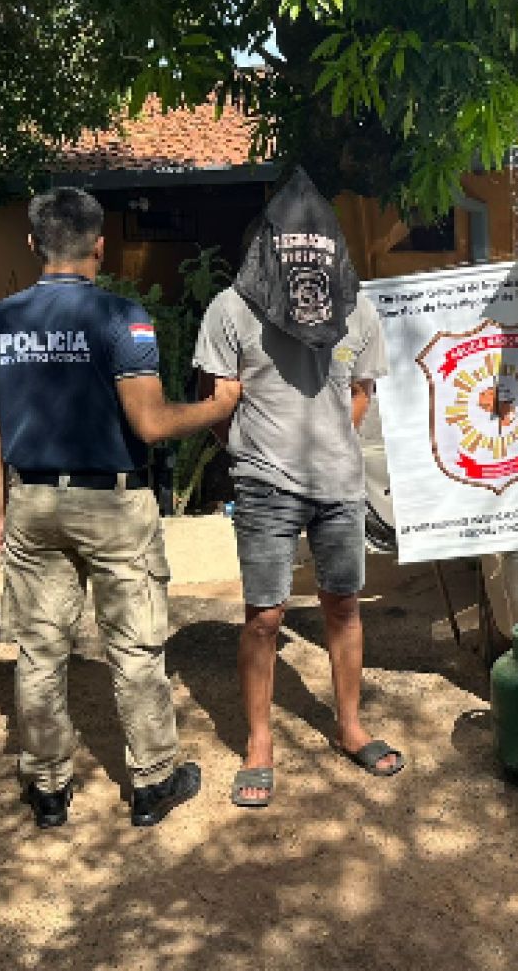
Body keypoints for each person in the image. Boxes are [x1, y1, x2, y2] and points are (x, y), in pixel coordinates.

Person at [0, 187, 241, 829]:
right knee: (135, 649)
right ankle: (151, 784)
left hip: (31, 498)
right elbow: (148, 424)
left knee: (39, 652)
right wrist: (216, 408)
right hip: (112, 504)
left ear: (33, 245)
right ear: (99, 244)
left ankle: (48, 790)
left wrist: (0, 512)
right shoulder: (122, 318)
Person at [193, 169, 396, 809]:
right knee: (266, 616)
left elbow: (360, 392)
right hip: (263, 484)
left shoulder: (357, 308)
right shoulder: (231, 308)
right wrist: (254, 454)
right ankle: (259, 745)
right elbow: (215, 402)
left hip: (339, 484)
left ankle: (350, 726)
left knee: (343, 606)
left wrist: (330, 441)